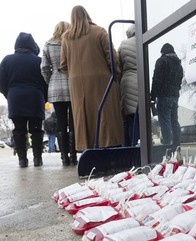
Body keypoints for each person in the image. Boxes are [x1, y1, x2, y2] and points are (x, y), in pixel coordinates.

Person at [60, 5, 123, 151]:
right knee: (105, 114)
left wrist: (74, 75)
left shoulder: (66, 38)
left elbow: (63, 65)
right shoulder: (99, 31)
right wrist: (116, 74)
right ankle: (108, 145)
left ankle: (87, 147)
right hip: (102, 80)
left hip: (77, 83)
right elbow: (112, 57)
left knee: (83, 116)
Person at [0, 32, 48, 167]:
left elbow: (1, 82)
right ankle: (38, 159)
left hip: (15, 99)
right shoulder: (38, 61)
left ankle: (22, 159)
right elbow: (45, 82)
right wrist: (43, 97)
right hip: (35, 98)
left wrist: (9, 94)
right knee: (37, 130)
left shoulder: (7, 60)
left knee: (19, 130)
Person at [41, 21, 77, 166]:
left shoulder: (48, 45)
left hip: (56, 86)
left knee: (61, 123)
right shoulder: (72, 42)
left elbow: (44, 68)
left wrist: (51, 80)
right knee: (74, 122)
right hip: (72, 84)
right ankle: (74, 154)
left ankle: (64, 156)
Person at [150, 43, 183, 147]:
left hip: (164, 95)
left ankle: (167, 147)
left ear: (163, 52)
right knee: (174, 122)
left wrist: (152, 95)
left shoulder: (161, 61)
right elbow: (179, 82)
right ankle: (177, 146)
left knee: (165, 122)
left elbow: (156, 80)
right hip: (175, 96)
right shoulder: (179, 65)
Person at [118, 24, 139, 147]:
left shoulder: (124, 44)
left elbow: (118, 63)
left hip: (128, 80)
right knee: (140, 117)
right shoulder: (145, 40)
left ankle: (129, 145)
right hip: (142, 79)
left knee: (129, 117)